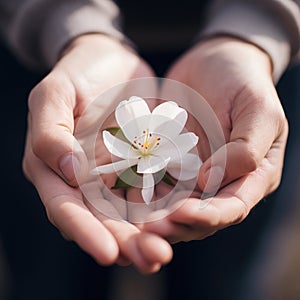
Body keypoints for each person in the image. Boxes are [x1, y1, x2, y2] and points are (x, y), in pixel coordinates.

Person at [0, 0, 299, 298]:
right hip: (46, 48)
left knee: (220, 283)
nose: (147, 144)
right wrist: (70, 24)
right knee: (49, 280)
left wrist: (254, 31)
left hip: (254, 53)